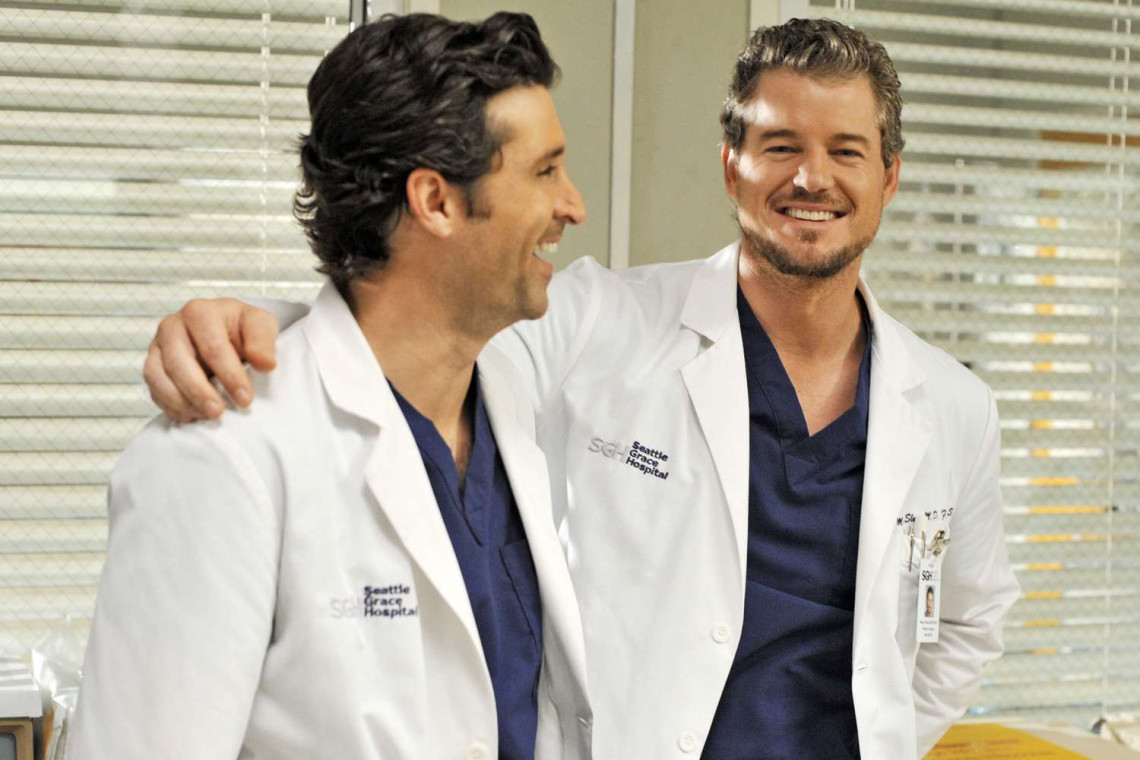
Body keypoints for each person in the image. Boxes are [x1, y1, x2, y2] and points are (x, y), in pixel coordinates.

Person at [140, 18, 1021, 760]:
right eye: (779, 146)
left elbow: (970, 621)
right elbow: (419, 324)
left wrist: (880, 732)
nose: (811, 178)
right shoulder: (601, 321)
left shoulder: (952, 407)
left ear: (889, 177)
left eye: (846, 151)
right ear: (731, 166)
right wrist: (252, 328)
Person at [70, 13, 593, 760]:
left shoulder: (509, 398)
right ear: (435, 201)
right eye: (545, 172)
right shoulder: (224, 457)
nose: (573, 206)